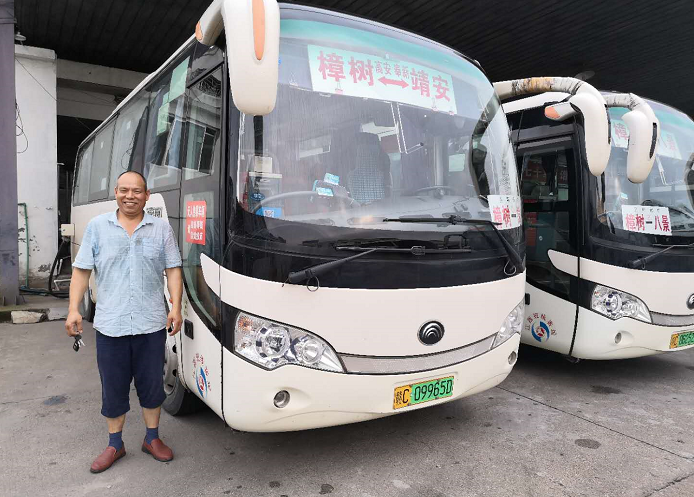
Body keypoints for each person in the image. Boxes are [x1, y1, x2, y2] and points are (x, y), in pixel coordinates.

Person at [65, 170, 183, 474]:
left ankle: (152, 438)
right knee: (113, 388)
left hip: (150, 324)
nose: (130, 196)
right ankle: (115, 444)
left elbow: (173, 268)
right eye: (124, 190)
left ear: (147, 195)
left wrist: (176, 306)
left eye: (137, 191)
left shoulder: (161, 228)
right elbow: (81, 270)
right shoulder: (97, 227)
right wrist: (74, 309)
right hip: (111, 325)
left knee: (152, 386)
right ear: (116, 192)